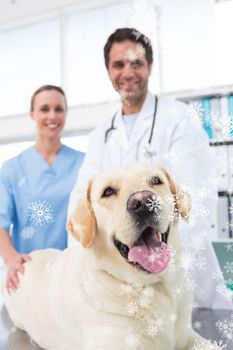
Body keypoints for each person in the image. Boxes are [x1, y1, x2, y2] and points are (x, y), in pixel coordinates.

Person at [69, 28, 232, 309]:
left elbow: (194, 199)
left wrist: (158, 259)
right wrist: (82, 272)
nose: (127, 72)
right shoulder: (100, 136)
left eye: (136, 62)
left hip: (183, 284)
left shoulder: (179, 119)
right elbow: (83, 206)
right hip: (120, 294)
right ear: (108, 71)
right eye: (118, 64)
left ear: (150, 67)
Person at [0, 84, 84, 292]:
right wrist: (11, 259)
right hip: (29, 272)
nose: (52, 116)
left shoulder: (84, 164)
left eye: (59, 109)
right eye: (44, 109)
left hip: (75, 272)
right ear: (32, 114)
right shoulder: (12, 168)